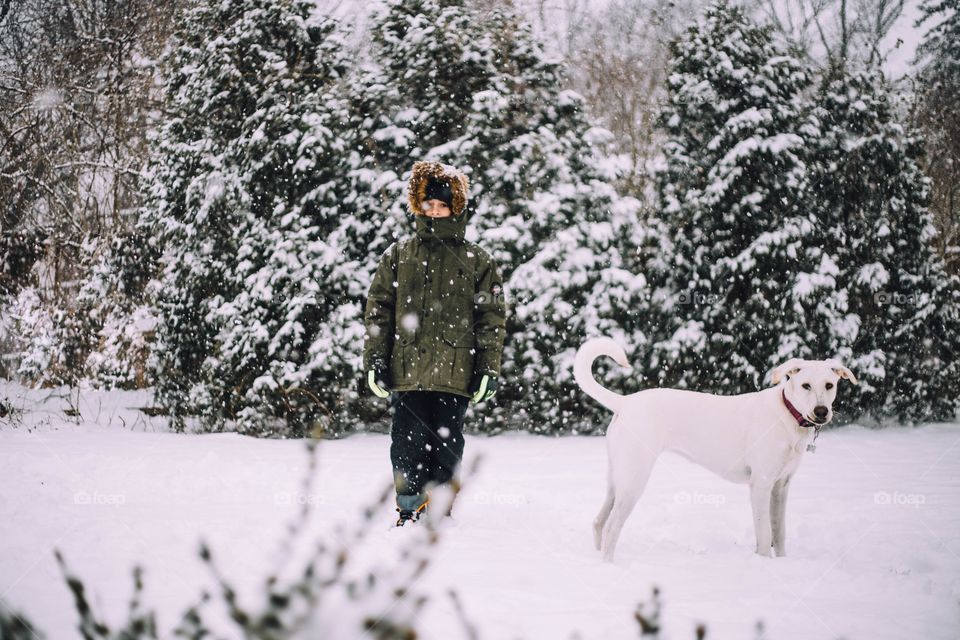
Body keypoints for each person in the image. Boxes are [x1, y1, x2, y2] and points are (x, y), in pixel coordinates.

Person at [362, 160, 507, 526]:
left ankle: (440, 511)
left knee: (446, 443)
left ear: (455, 208)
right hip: (407, 371)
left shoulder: (477, 260)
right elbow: (379, 311)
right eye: (430, 205)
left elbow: (491, 318)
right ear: (419, 206)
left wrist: (487, 367)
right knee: (407, 443)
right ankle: (410, 508)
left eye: (443, 206)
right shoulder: (398, 255)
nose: (436, 212)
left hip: (455, 372)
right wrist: (375, 361)